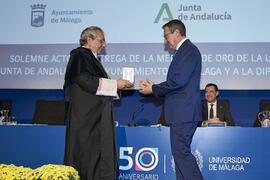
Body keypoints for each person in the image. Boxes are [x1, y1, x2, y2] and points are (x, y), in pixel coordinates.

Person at [63, 26, 133, 180]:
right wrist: (116, 84)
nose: (104, 45)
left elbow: (95, 85)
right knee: (87, 157)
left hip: (95, 118)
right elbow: (86, 81)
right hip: (87, 120)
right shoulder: (80, 55)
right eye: (101, 40)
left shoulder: (90, 57)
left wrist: (118, 85)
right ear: (89, 39)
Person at [139, 19, 203, 180]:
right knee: (180, 156)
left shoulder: (187, 50)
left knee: (181, 155)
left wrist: (153, 89)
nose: (165, 41)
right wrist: (154, 88)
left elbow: (179, 81)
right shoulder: (185, 52)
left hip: (184, 112)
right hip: (182, 112)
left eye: (166, 36)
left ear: (176, 33)